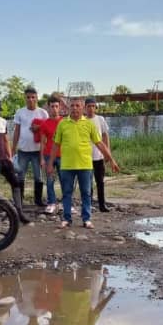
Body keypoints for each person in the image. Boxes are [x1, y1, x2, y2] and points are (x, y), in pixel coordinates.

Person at [48, 98, 120, 229]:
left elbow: (100, 144)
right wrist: (50, 164)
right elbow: (55, 145)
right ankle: (66, 218)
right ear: (69, 108)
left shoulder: (89, 124)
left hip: (85, 165)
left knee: (86, 193)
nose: (75, 108)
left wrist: (111, 159)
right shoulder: (63, 124)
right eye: (72, 106)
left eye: (78, 106)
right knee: (66, 193)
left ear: (82, 108)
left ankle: (86, 219)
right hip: (67, 165)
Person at [12, 87, 48, 207]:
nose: (31, 99)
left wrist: (39, 128)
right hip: (23, 151)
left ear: (37, 98)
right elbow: (16, 131)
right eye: (28, 97)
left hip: (38, 151)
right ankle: (20, 200)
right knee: (20, 175)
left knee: (38, 176)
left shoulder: (43, 113)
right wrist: (13, 148)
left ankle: (38, 200)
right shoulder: (20, 112)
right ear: (25, 98)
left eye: (33, 97)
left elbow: (47, 131)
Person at [85, 98, 118, 212]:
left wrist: (107, 153)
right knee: (88, 184)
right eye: (89, 106)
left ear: (96, 108)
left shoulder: (100, 119)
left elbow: (105, 136)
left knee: (100, 182)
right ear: (85, 108)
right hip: (86, 158)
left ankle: (102, 205)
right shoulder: (83, 120)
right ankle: (88, 205)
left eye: (93, 106)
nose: (91, 108)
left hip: (99, 156)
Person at [39, 96, 63, 214]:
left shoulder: (64, 122)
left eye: (56, 106)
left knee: (65, 180)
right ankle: (51, 203)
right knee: (49, 180)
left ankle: (66, 203)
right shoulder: (45, 124)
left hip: (63, 155)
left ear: (60, 107)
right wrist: (42, 159)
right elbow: (42, 143)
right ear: (48, 107)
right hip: (49, 155)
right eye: (52, 106)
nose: (54, 109)